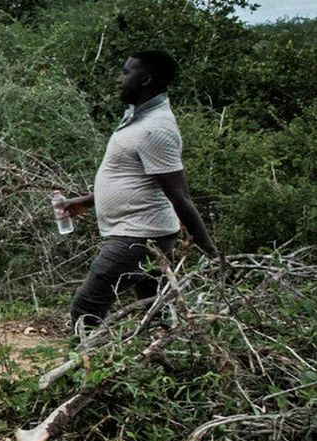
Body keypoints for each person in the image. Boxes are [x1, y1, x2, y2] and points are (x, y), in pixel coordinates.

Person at [58, 50, 222, 332]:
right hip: (144, 232)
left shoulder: (155, 128)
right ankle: (160, 364)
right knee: (156, 312)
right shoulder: (139, 118)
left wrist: (212, 253)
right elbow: (137, 178)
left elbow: (179, 195)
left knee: (87, 307)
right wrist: (89, 201)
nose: (119, 79)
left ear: (146, 79)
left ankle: (80, 371)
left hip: (137, 235)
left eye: (126, 72)